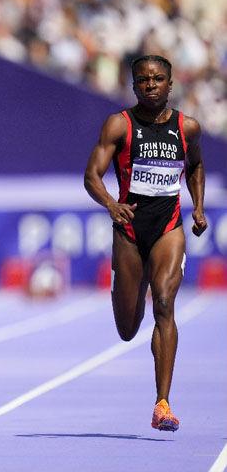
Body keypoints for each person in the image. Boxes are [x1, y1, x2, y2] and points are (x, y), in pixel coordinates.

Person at [84, 55, 207, 431]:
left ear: (171, 84)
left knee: (166, 304)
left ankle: (163, 403)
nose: (151, 85)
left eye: (158, 79)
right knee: (127, 328)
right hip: (129, 229)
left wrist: (198, 208)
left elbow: (196, 166)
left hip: (168, 227)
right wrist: (111, 204)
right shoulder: (119, 125)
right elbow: (91, 175)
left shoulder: (187, 127)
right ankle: (128, 288)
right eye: (143, 80)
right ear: (134, 86)